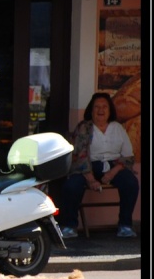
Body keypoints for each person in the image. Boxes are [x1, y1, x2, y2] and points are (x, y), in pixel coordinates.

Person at [58, 92, 138, 238]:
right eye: (97, 107)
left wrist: (112, 172)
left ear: (110, 110)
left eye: (104, 107)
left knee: (131, 183)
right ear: (91, 110)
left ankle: (125, 226)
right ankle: (70, 227)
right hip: (88, 166)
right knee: (71, 186)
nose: (101, 110)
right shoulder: (84, 127)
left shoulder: (117, 128)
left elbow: (128, 156)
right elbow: (79, 155)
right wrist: (91, 179)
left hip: (114, 166)